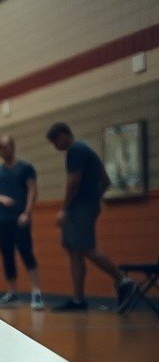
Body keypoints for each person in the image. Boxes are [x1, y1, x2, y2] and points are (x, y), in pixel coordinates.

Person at [44, 122, 137, 312]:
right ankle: (79, 300)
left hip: (78, 208)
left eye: (55, 141)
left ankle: (122, 280)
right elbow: (106, 180)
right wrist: (94, 200)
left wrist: (65, 208)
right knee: (74, 251)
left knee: (87, 249)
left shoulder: (75, 150)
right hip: (86, 206)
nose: (55, 146)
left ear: (64, 135)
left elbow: (73, 181)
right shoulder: (86, 150)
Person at [0, 135, 43, 309]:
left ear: (12, 147)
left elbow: (32, 190)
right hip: (2, 220)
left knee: (26, 253)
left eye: (7, 147)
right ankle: (12, 293)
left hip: (20, 219)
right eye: (0, 148)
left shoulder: (25, 167)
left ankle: (36, 293)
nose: (4, 151)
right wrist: (0, 198)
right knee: (7, 255)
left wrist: (27, 212)